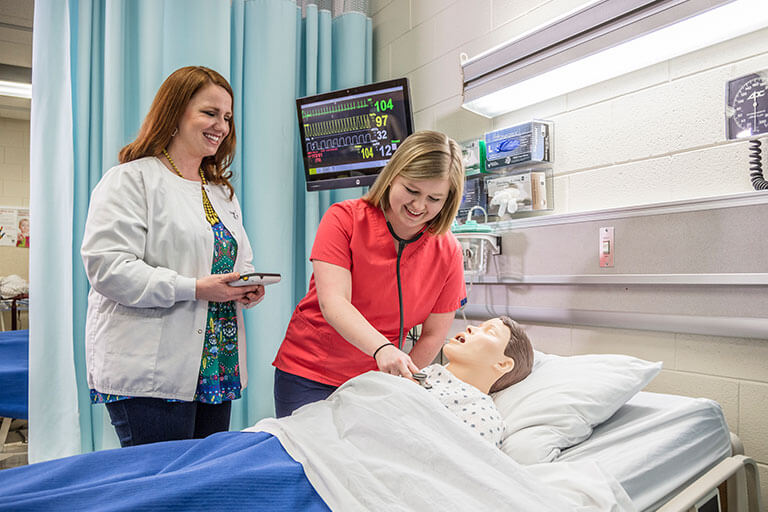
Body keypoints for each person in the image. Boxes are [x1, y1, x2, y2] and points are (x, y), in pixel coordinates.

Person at [80, 66, 265, 447]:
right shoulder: (131, 180)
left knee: (198, 484)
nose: (221, 126)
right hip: (151, 370)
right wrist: (195, 288)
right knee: (157, 487)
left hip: (216, 364)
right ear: (175, 113)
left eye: (227, 117)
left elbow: (238, 261)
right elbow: (109, 268)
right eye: (209, 113)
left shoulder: (221, 193)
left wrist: (245, 285)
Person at [273, 130, 467, 417]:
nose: (419, 206)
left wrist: (401, 384)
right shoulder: (344, 219)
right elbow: (334, 302)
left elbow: (434, 335)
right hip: (311, 373)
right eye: (412, 190)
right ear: (392, 176)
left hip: (377, 382)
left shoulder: (448, 251)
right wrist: (383, 350)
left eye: (434, 198)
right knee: (310, 458)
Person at [419, 315, 534, 448]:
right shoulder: (417, 372)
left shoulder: (481, 415)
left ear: (503, 364)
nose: (469, 327)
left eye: (490, 331)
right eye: (479, 327)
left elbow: (469, 464)